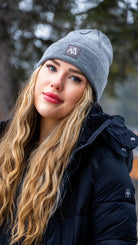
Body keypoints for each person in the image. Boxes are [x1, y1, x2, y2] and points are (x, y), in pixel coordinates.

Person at [0, 29, 138, 245]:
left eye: (75, 77)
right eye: (52, 67)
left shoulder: (105, 165)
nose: (57, 82)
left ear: (87, 96)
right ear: (38, 73)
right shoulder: (5, 144)